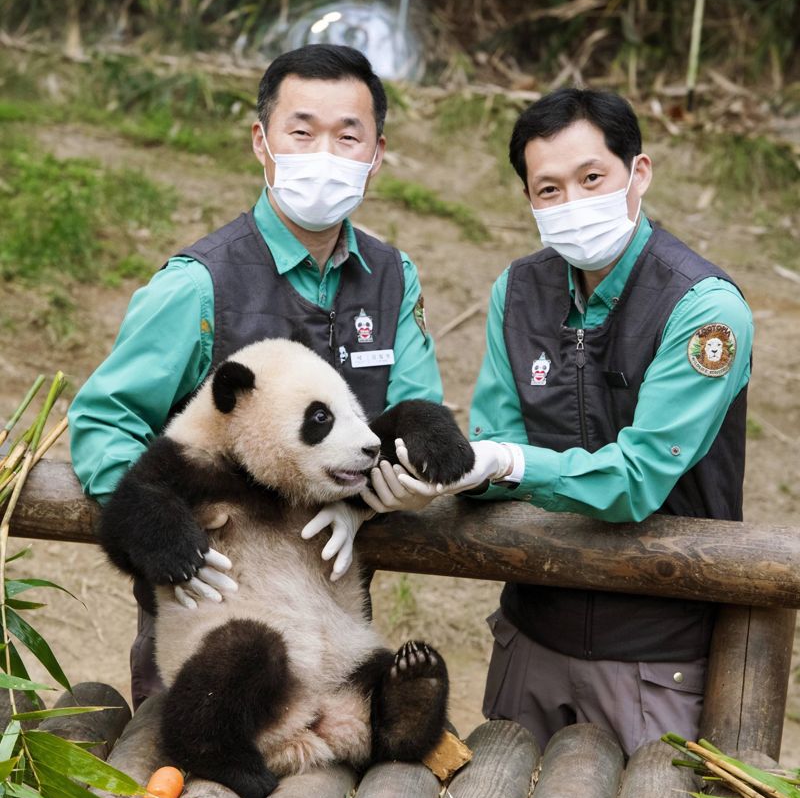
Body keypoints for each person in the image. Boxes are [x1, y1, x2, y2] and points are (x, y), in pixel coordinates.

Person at [68, 44, 440, 709]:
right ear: (262, 141)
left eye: (347, 135)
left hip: (329, 617)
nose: (323, 152)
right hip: (208, 625)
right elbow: (104, 419)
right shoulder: (199, 285)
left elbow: (414, 414)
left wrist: (370, 500)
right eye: (301, 131)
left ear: (376, 153)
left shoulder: (392, 279)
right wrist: (161, 526)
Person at [395, 87, 754, 757]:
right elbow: (494, 441)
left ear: (637, 173)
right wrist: (468, 470)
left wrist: (510, 462)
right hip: (530, 631)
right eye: (549, 189)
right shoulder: (518, 292)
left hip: (653, 653)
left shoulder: (703, 312)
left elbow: (638, 479)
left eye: (593, 179)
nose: (573, 204)